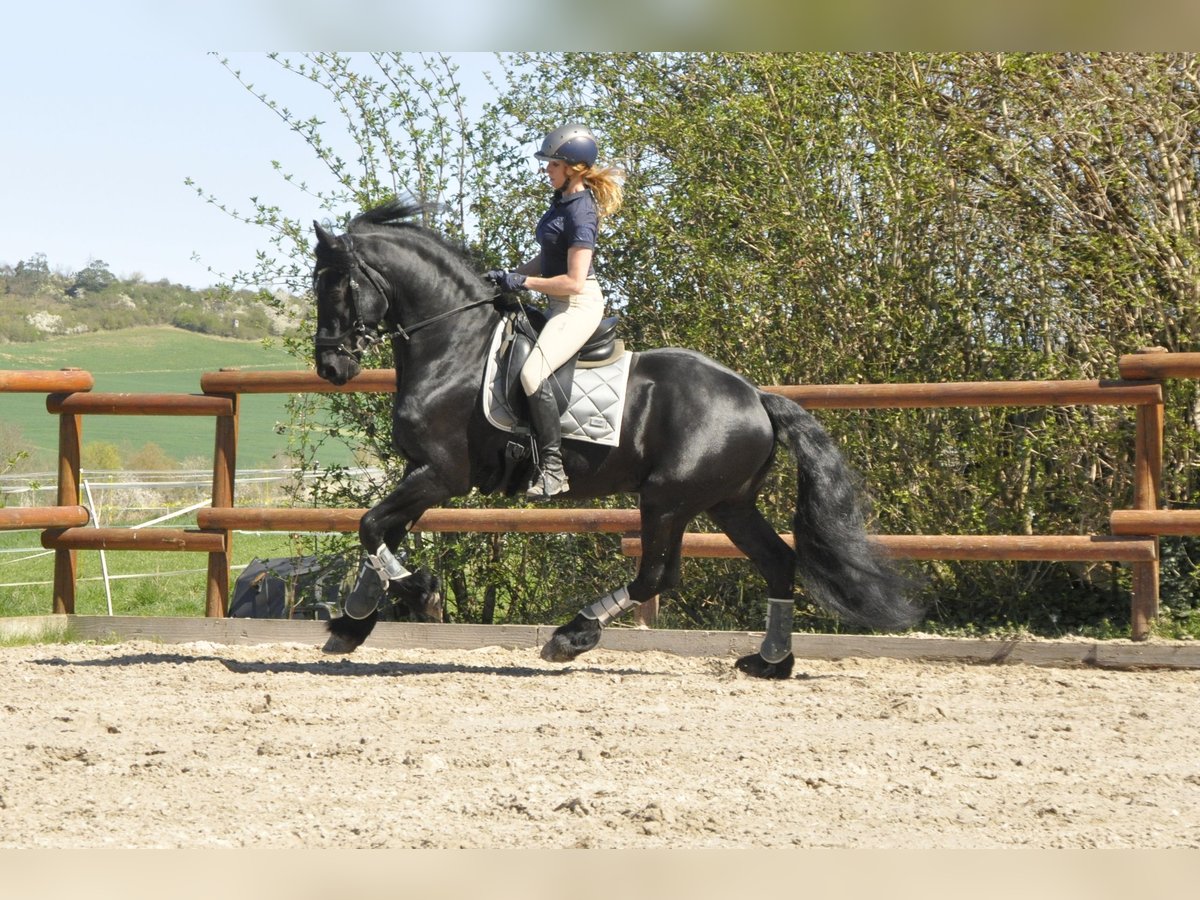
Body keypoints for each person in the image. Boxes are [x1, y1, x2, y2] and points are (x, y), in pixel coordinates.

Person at [486, 122, 625, 499]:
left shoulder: (582, 213)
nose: (546, 170)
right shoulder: (561, 202)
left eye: (552, 165)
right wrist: (509, 275)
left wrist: (524, 284)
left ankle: (552, 468)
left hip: (578, 306)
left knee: (532, 374)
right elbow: (547, 257)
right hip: (557, 301)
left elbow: (574, 282)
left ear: (573, 169)